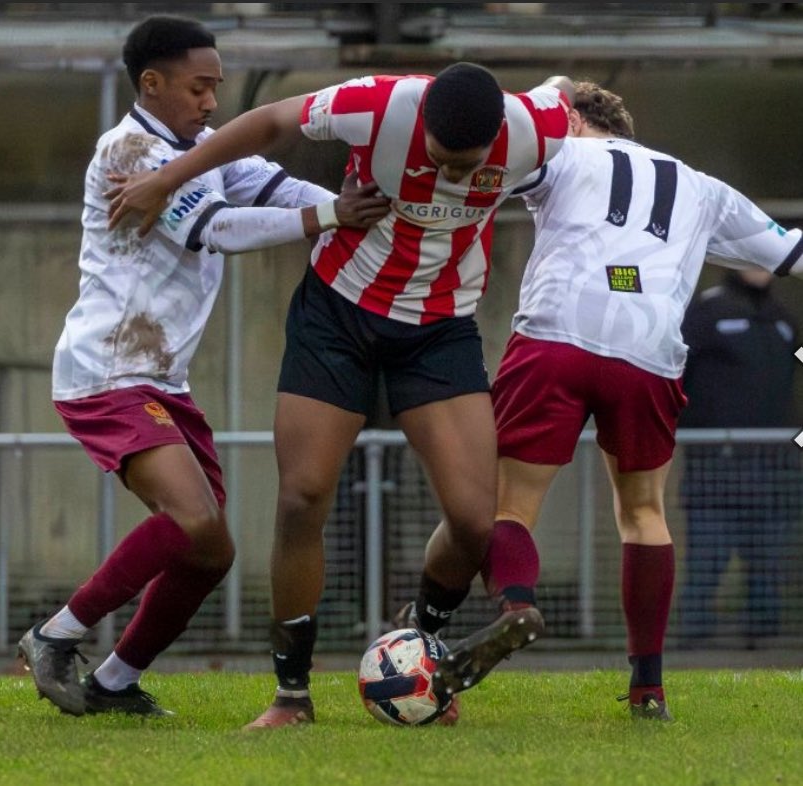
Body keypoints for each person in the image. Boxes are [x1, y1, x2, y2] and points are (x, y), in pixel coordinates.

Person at [106, 61, 574, 728]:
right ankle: (291, 696)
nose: (449, 174)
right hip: (337, 315)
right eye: (439, 156)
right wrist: (167, 177)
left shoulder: (534, 126)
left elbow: (566, 96)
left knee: (475, 522)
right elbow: (269, 120)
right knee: (302, 497)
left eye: (466, 166)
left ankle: (419, 646)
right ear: (422, 122)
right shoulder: (379, 105)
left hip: (439, 328)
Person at [16, 14, 389, 718]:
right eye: (198, 87)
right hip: (108, 371)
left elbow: (276, 188)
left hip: (160, 378)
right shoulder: (130, 149)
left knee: (210, 550)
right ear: (152, 83)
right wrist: (331, 217)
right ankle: (54, 635)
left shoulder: (202, 148)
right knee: (190, 519)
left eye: (216, 86)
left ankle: (114, 683)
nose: (211, 101)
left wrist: (366, 213)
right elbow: (215, 229)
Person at [437, 81, 803, 720]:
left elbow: (486, 160)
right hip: (650, 348)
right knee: (643, 513)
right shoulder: (702, 187)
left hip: (557, 333)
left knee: (509, 505)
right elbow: (790, 254)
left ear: (574, 120)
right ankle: (648, 688)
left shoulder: (562, 152)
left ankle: (517, 605)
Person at [678, 268, 802, 644]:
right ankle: (692, 647)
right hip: (714, 468)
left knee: (767, 567)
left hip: (774, 470)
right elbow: (676, 372)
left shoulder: (782, 319)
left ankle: (763, 644)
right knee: (707, 562)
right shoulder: (707, 311)